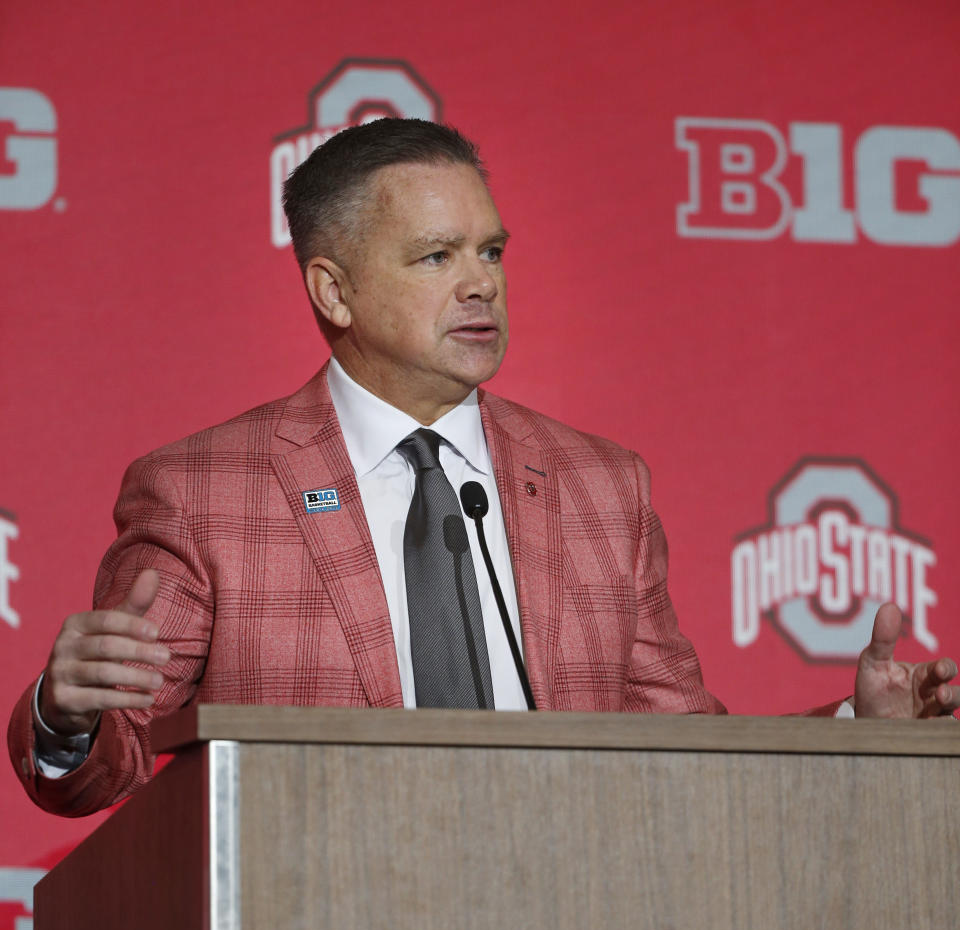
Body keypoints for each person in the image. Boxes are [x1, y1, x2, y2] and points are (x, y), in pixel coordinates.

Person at [7, 120, 958, 818]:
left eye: (492, 250)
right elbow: (106, 765)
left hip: (566, 929)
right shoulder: (205, 492)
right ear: (332, 290)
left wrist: (856, 727)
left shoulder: (601, 485)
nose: (482, 283)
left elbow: (688, 750)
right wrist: (67, 715)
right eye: (436, 256)